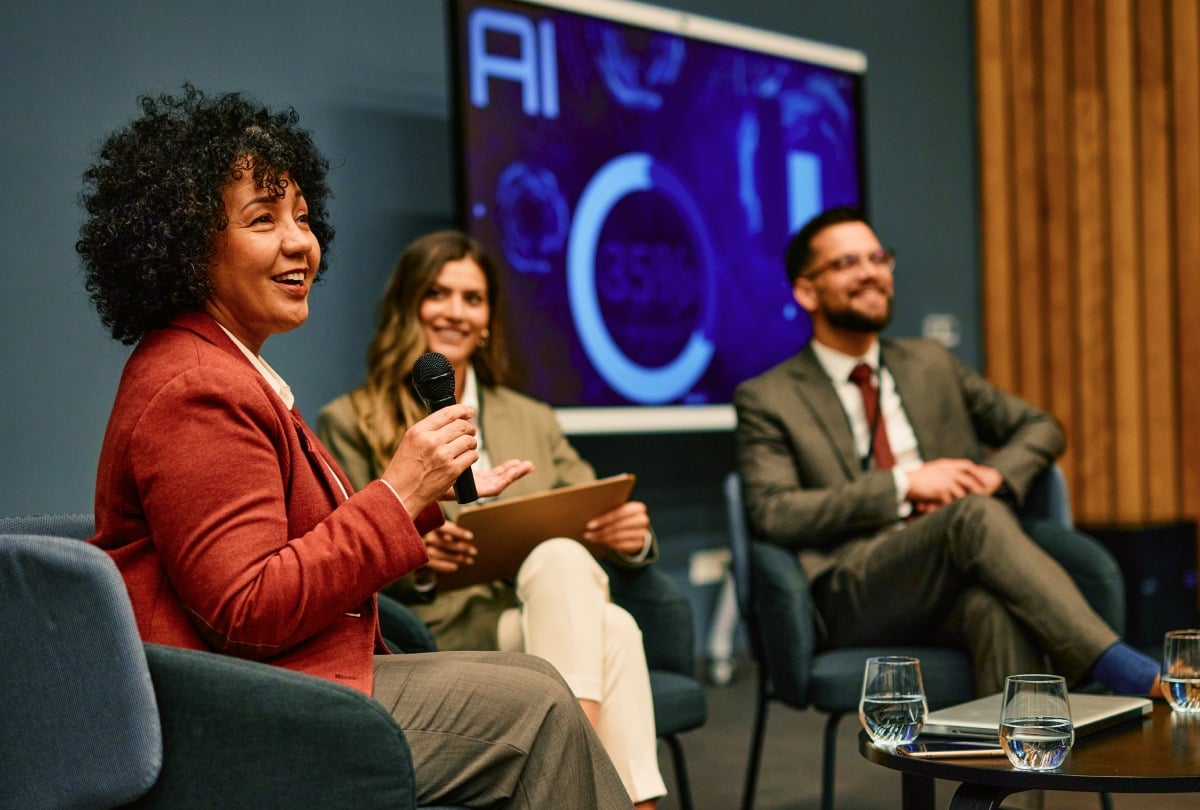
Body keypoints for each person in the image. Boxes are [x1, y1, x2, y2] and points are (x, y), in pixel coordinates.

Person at [77, 85, 633, 809]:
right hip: (238, 716)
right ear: (187, 242)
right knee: (538, 709)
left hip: (284, 681)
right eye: (263, 219)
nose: (301, 242)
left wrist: (427, 502)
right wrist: (400, 492)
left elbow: (291, 548)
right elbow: (248, 611)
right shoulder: (196, 387)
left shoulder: (223, 367)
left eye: (303, 218)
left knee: (540, 685)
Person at [734, 205, 1161, 698]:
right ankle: (1120, 669)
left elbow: (1039, 426)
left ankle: (1010, 775)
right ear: (806, 290)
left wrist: (994, 477)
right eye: (847, 263)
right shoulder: (768, 396)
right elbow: (773, 512)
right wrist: (904, 485)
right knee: (971, 517)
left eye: (878, 258)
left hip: (952, 579)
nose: (871, 272)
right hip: (854, 592)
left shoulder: (930, 364)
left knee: (995, 610)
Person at [318, 230, 667, 809]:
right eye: (439, 293)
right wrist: (422, 565)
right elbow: (343, 553)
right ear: (410, 304)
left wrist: (632, 538)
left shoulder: (532, 416)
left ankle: (567, 772)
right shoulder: (351, 419)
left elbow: (596, 501)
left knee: (564, 562)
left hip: (541, 615)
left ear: (487, 321)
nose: (456, 311)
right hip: (443, 630)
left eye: (473, 298)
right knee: (614, 631)